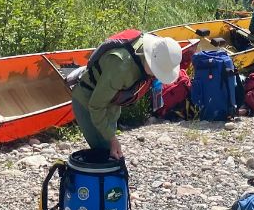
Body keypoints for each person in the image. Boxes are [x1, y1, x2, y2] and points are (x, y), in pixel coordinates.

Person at [70, 31, 182, 160]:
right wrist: (112, 139)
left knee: (111, 151)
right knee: (105, 152)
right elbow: (96, 106)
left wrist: (112, 137)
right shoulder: (121, 67)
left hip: (110, 102)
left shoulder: (153, 49)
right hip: (87, 101)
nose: (156, 76)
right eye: (158, 71)